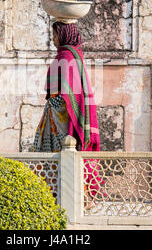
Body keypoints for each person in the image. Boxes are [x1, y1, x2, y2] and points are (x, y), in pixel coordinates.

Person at [33, 21, 103, 209]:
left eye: (55, 35)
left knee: (60, 156)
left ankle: (79, 199)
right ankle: (74, 198)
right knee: (65, 157)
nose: (53, 39)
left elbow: (69, 96)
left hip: (62, 121)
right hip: (59, 119)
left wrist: (53, 105)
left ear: (64, 36)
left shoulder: (66, 58)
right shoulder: (72, 57)